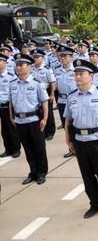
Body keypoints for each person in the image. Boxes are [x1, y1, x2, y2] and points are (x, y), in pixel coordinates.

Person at [64, 59, 98, 219]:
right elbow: (68, 120)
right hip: (80, 141)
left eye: (81, 74)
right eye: (76, 74)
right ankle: (94, 204)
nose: (78, 77)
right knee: (87, 175)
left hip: (97, 140)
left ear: (91, 75)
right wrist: (69, 141)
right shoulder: (72, 97)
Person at [8, 53, 49, 185]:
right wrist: (11, 116)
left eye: (21, 65)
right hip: (20, 121)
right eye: (17, 65)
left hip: (34, 120)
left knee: (39, 147)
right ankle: (33, 171)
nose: (18, 68)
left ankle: (42, 172)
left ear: (29, 67)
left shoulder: (37, 83)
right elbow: (10, 103)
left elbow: (44, 102)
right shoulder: (13, 83)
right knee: (27, 148)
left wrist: (45, 118)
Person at [31, 49, 57, 141]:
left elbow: (52, 82)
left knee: (48, 113)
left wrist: (52, 94)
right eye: (34, 57)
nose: (35, 59)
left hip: (46, 92)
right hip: (34, 93)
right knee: (39, 112)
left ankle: (50, 131)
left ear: (42, 58)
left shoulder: (47, 69)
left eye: (37, 57)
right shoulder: (31, 68)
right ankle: (43, 130)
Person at [0, 54, 19, 158]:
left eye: (0, 61)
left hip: (8, 106)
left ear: (5, 63)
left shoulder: (11, 77)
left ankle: (16, 149)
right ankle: (8, 149)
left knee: (11, 128)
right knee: (3, 130)